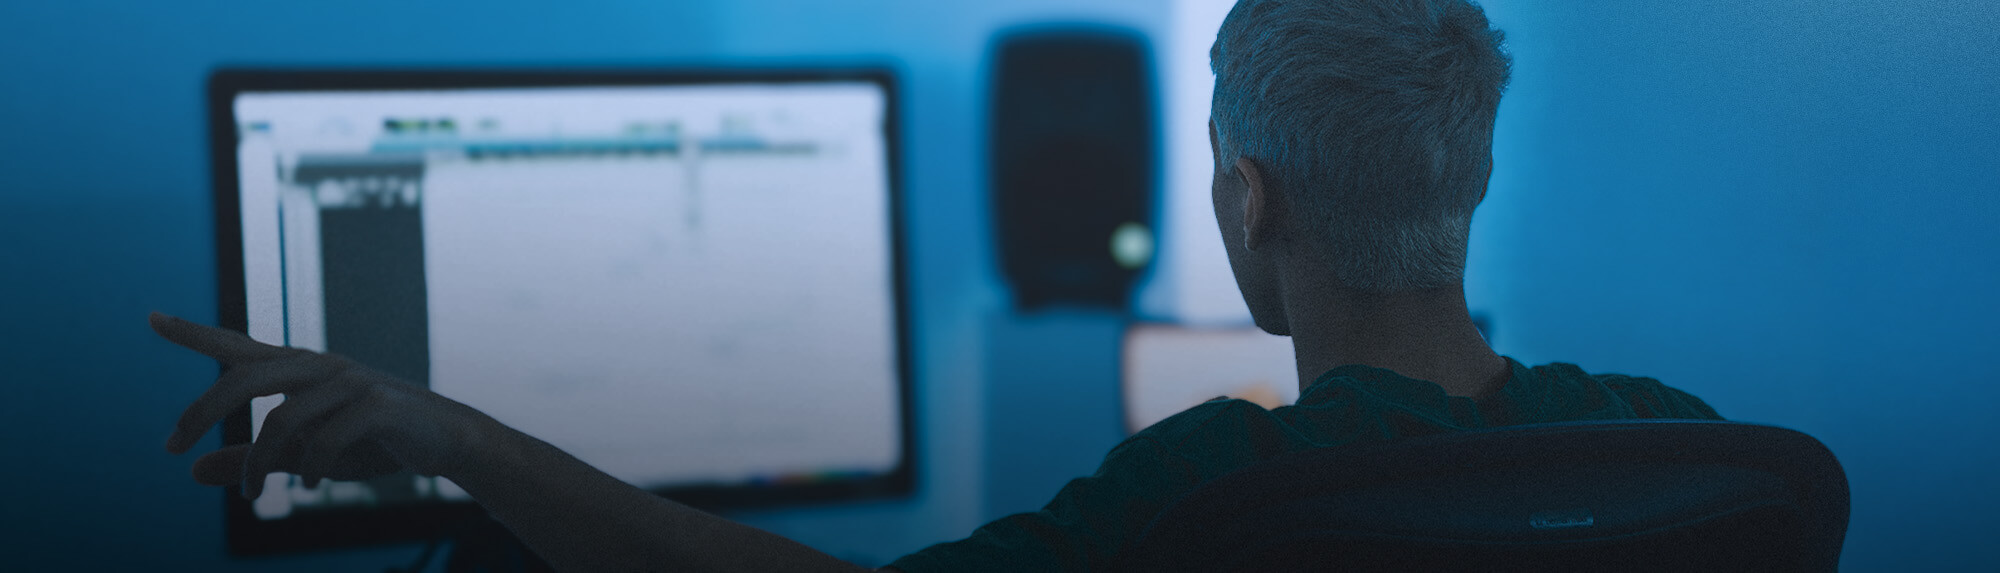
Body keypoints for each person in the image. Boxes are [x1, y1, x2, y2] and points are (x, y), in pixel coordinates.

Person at [152, 0, 1720, 571]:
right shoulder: (1672, 455)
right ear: (1477, 176)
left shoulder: (1222, 494)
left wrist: (461, 439)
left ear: (1252, 202)